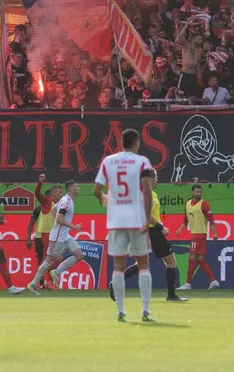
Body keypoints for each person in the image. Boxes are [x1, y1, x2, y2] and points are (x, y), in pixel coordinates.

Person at [94, 128, 155, 323]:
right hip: (137, 220)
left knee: (118, 267)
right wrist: (147, 217)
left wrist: (104, 198)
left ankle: (121, 311)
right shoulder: (142, 162)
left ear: (121, 142)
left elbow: (97, 190)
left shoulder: (108, 161)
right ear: (136, 143)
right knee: (143, 264)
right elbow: (147, 190)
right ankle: (145, 310)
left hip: (116, 221)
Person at [112, 168, 188, 303]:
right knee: (170, 261)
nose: (157, 180)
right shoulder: (149, 194)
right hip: (153, 232)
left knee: (140, 264)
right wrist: (160, 227)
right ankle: (171, 295)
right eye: (156, 177)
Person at [25, 181, 84, 294]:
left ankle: (57, 272)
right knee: (48, 261)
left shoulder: (65, 199)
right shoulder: (66, 201)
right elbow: (59, 219)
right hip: (57, 237)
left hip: (65, 235)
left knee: (79, 255)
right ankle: (33, 284)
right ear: (71, 189)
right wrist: (74, 226)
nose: (79, 188)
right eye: (77, 187)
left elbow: (53, 210)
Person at [177, 183, 219, 291]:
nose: (199, 194)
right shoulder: (187, 204)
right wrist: (180, 229)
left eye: (200, 192)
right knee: (199, 259)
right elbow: (185, 219)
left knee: (191, 257)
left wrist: (214, 233)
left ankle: (187, 284)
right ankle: (213, 281)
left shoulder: (204, 204)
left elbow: (211, 220)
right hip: (194, 234)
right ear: (192, 192)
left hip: (200, 234)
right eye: (197, 192)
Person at [25, 174, 62, 289]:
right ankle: (42, 283)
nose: (61, 195)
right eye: (59, 193)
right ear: (52, 194)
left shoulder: (58, 206)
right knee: (49, 259)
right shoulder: (46, 203)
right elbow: (37, 194)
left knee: (51, 259)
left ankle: (45, 283)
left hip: (53, 235)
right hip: (44, 234)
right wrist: (40, 182)